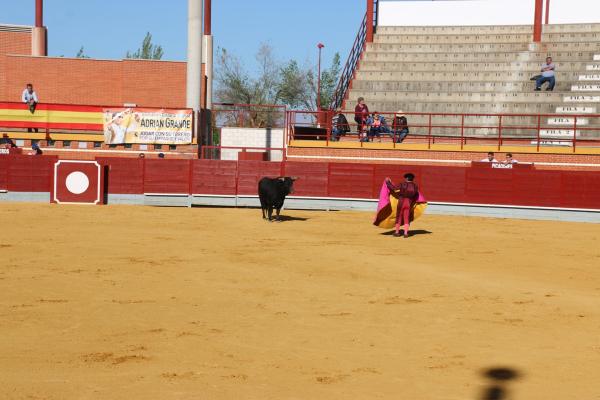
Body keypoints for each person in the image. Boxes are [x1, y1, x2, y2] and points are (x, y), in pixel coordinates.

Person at [385, 173, 420, 238]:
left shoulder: (402, 184)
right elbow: (416, 195)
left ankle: (397, 232)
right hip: (409, 203)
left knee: (399, 216)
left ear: (406, 178)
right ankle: (406, 233)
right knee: (406, 217)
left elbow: (394, 188)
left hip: (401, 201)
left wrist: (388, 182)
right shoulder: (415, 186)